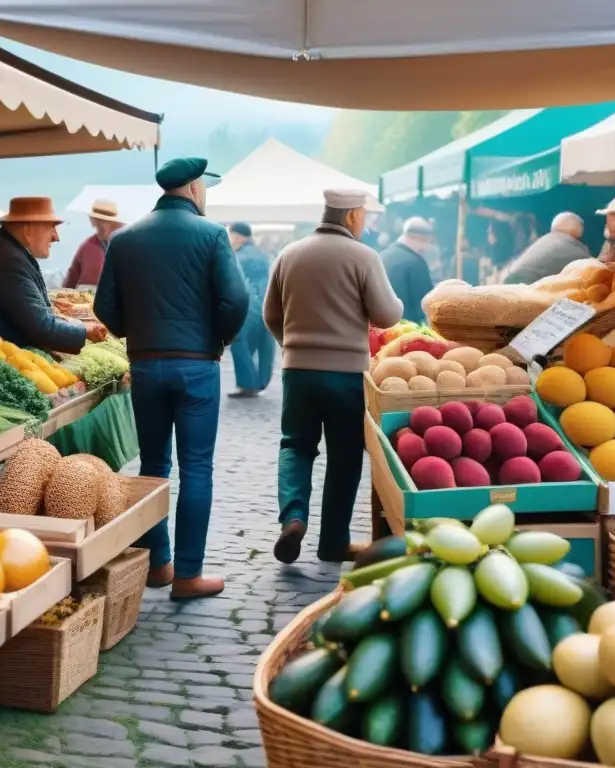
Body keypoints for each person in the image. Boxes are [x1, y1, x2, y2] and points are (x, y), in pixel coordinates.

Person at [94, 158, 248, 600]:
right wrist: (219, 338)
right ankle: (189, 574)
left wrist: (133, 333)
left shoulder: (124, 238)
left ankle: (158, 564)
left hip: (145, 365)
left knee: (154, 465)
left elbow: (106, 306)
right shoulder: (213, 234)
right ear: (195, 190)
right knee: (197, 467)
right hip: (197, 364)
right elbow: (236, 298)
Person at [264, 189, 403, 564]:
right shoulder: (363, 256)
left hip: (297, 373)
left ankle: (293, 518)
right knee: (344, 457)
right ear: (353, 217)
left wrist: (292, 346)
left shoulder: (289, 254)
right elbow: (388, 314)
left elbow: (271, 316)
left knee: (295, 445)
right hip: (345, 375)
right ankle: (333, 542)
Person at [0, 196, 105, 351]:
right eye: (51, 227)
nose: (56, 237)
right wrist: (85, 330)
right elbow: (43, 329)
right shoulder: (8, 262)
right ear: (27, 232)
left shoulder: (7, 250)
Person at [228, 221, 275, 397]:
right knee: (262, 342)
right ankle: (260, 381)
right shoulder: (263, 255)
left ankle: (247, 385)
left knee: (239, 341)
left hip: (248, 303)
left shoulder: (238, 256)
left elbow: (232, 281)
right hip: (266, 302)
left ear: (238, 236)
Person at [501, 212, 592, 284]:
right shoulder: (572, 247)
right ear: (578, 228)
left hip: (510, 284)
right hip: (524, 292)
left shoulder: (546, 239)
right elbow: (594, 269)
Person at [379, 216, 436, 324]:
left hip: (378, 330)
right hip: (406, 331)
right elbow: (427, 306)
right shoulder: (416, 263)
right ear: (420, 238)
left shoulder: (381, 256)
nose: (426, 248)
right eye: (427, 242)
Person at [63, 199, 125, 290]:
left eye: (101, 224)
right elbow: (71, 279)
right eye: (96, 225)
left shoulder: (128, 245)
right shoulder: (87, 246)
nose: (97, 228)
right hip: (86, 299)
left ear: (115, 223)